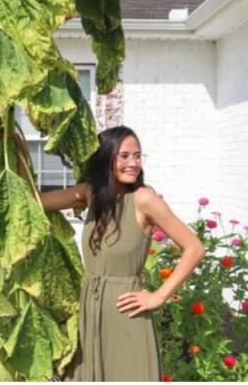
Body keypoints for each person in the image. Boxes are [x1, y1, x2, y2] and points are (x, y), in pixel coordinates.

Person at [40, 126, 204, 381]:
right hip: (90, 308)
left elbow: (194, 248)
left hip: (126, 311)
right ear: (106, 159)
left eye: (137, 156)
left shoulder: (144, 200)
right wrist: (16, 150)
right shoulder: (89, 193)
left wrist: (158, 296)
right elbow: (36, 201)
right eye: (124, 156)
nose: (133, 163)